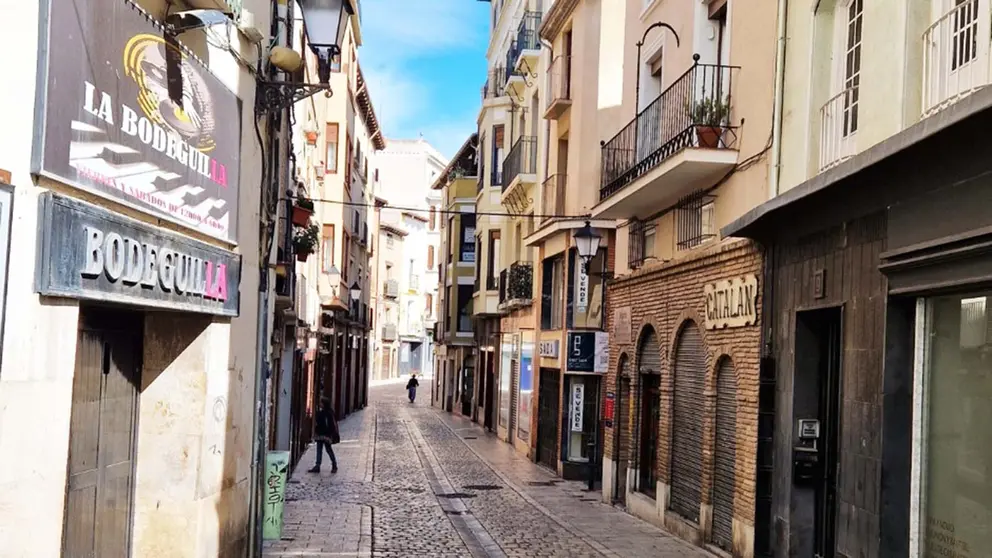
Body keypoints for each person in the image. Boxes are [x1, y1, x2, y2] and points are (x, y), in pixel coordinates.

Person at [308, 397, 338, 474]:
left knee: (328, 450)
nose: (320, 404)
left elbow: (330, 425)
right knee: (319, 449)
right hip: (320, 434)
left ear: (324, 404)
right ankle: (318, 465)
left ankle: (334, 464)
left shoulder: (327, 413)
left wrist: (329, 434)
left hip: (325, 434)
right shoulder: (324, 412)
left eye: (321, 403)